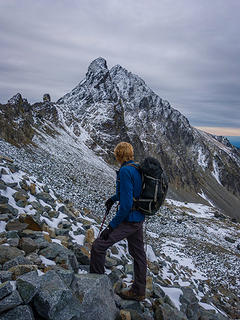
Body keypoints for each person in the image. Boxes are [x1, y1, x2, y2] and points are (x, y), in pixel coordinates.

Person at [90, 142, 147, 301]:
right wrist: (113, 199)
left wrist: (111, 226)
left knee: (98, 246)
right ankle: (139, 291)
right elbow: (131, 193)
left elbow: (127, 204)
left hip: (129, 220)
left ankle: (96, 287)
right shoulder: (137, 168)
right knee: (139, 255)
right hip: (139, 218)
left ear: (119, 155)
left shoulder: (124, 171)